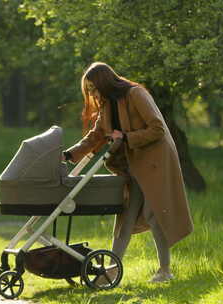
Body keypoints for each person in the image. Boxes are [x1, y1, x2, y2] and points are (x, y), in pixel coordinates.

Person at [62, 62, 193, 283]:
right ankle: (112, 271)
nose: (92, 93)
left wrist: (126, 137)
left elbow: (158, 128)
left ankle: (165, 270)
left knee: (153, 214)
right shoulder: (107, 104)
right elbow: (97, 135)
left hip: (154, 162)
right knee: (125, 217)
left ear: (104, 82)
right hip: (131, 165)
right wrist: (69, 154)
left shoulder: (136, 94)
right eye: (89, 90)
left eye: (94, 88)